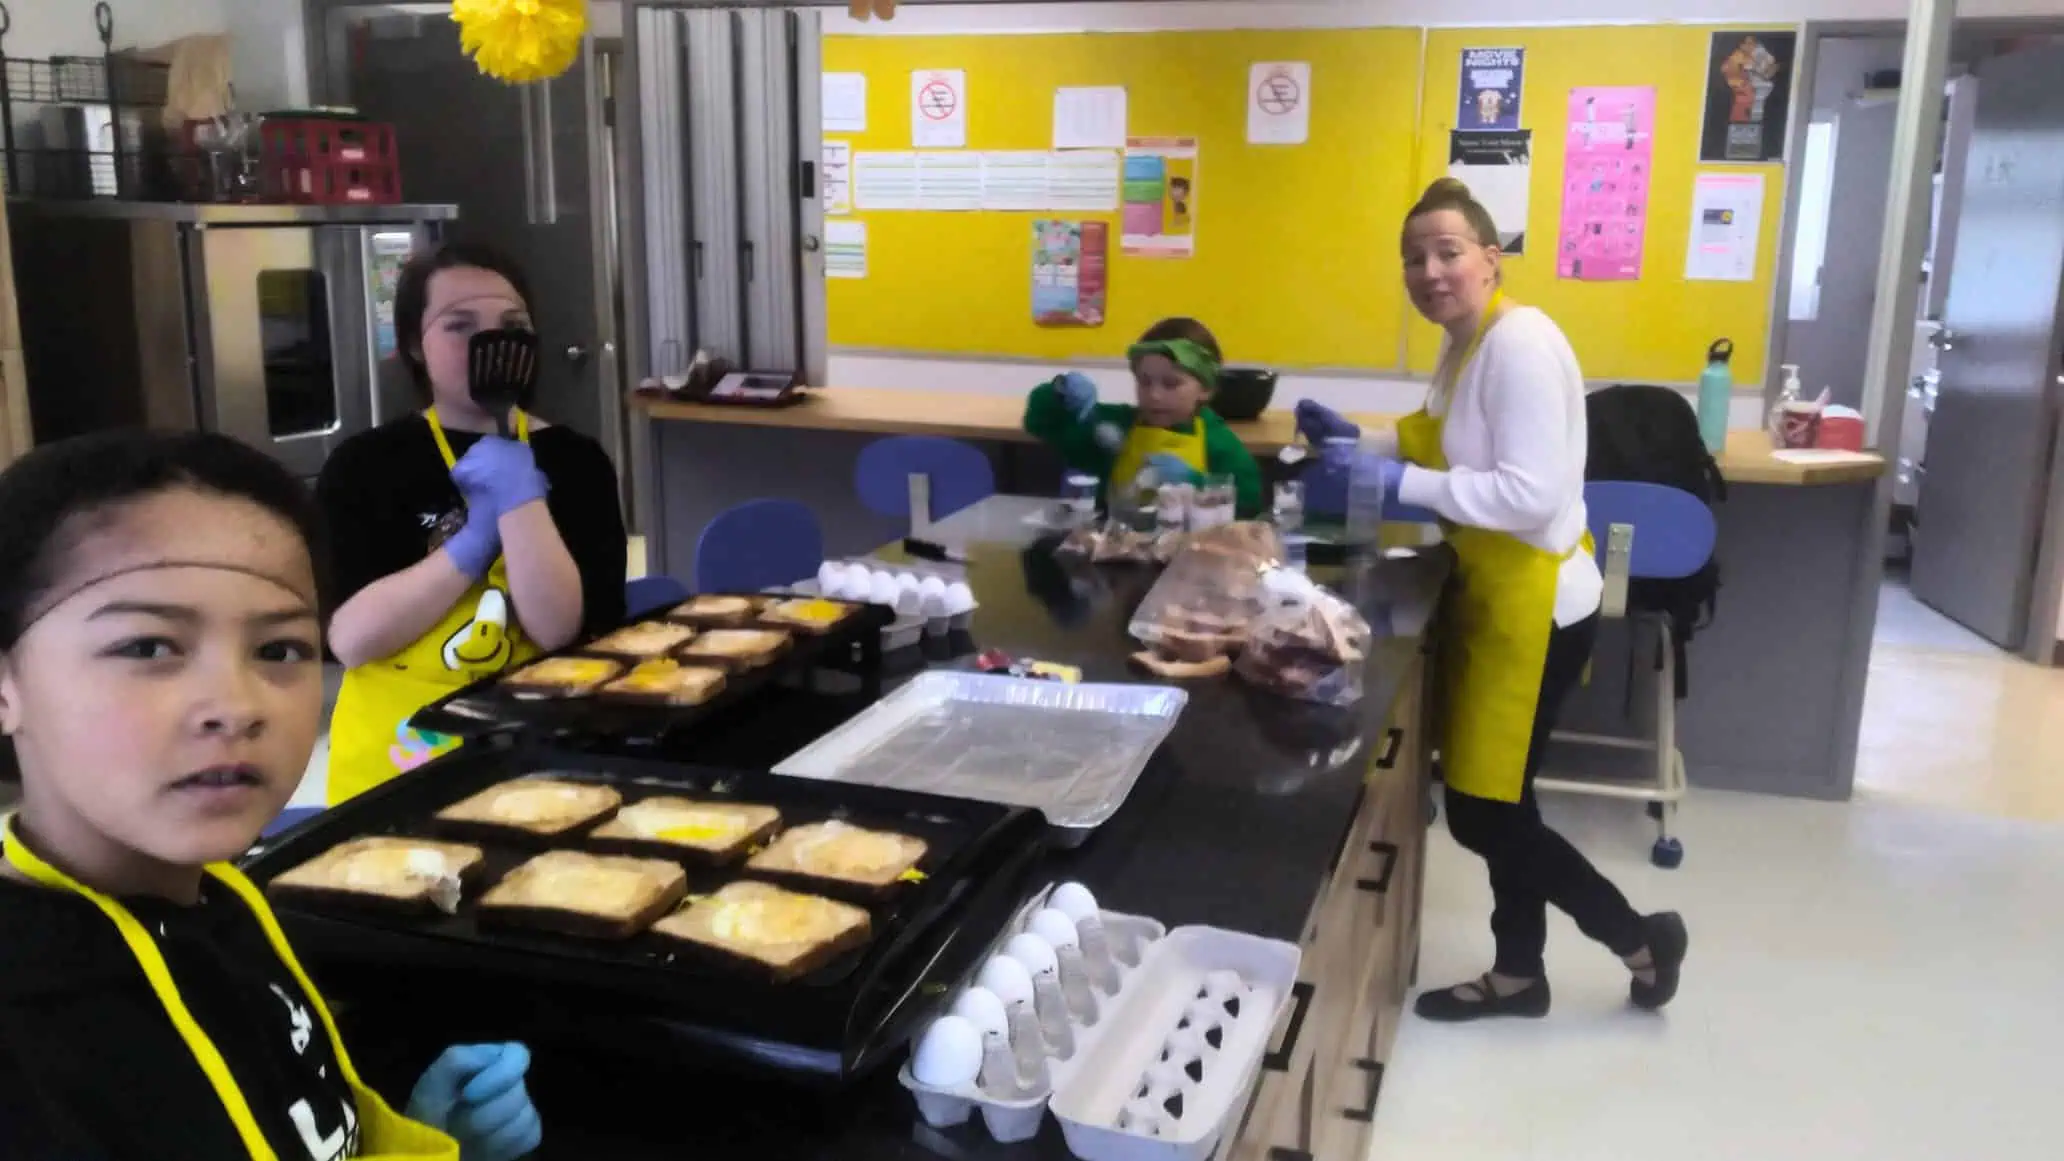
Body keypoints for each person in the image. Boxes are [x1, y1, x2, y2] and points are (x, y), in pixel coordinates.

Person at [0, 429, 542, 1159]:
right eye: (148, 646)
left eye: (279, 650)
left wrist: (416, 1139)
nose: (236, 703)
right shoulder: (28, 1036)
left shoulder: (232, 898)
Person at [1297, 178, 1687, 1021]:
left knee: (1480, 811)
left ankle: (1641, 934)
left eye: (1447, 251)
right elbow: (1449, 442)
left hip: (1538, 604)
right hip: (1494, 591)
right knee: (1510, 799)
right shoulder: (1465, 345)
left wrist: (1396, 480)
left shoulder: (1521, 343)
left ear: (1491, 258)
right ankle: (1519, 974)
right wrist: (1356, 442)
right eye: (1413, 257)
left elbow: (1531, 494)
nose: (1429, 270)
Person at [320, 242, 626, 804]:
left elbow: (564, 633)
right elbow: (352, 639)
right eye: (460, 325)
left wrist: (521, 502)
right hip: (397, 764)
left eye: (512, 325)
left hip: (541, 760)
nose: (492, 341)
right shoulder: (365, 464)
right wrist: (476, 537)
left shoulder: (577, 462)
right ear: (415, 345)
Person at [1023, 317, 1263, 517]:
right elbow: (1040, 422)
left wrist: (1198, 485)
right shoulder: (1117, 426)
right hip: (1114, 555)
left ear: (1206, 389)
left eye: (1171, 384)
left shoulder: (1220, 444)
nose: (1154, 395)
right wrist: (1060, 392)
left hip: (1187, 562)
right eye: (1144, 382)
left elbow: (1249, 508)